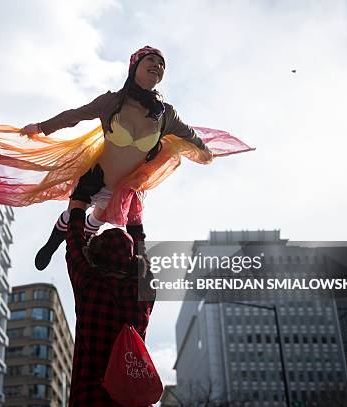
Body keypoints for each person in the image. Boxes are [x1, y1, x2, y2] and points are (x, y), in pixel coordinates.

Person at [20, 46, 214, 270]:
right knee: (75, 213)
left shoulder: (166, 114)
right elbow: (74, 115)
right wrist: (41, 127)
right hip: (96, 176)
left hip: (125, 187)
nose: (158, 66)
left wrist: (205, 151)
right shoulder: (112, 101)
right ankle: (51, 245)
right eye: (151, 60)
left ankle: (92, 251)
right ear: (134, 66)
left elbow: (190, 135)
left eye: (162, 65)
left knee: (99, 220)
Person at [65, 199, 155, 406]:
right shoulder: (141, 292)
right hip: (132, 400)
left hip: (90, 398)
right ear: (131, 259)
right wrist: (134, 219)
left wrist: (79, 201)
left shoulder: (89, 283)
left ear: (95, 255)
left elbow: (74, 246)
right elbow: (144, 261)